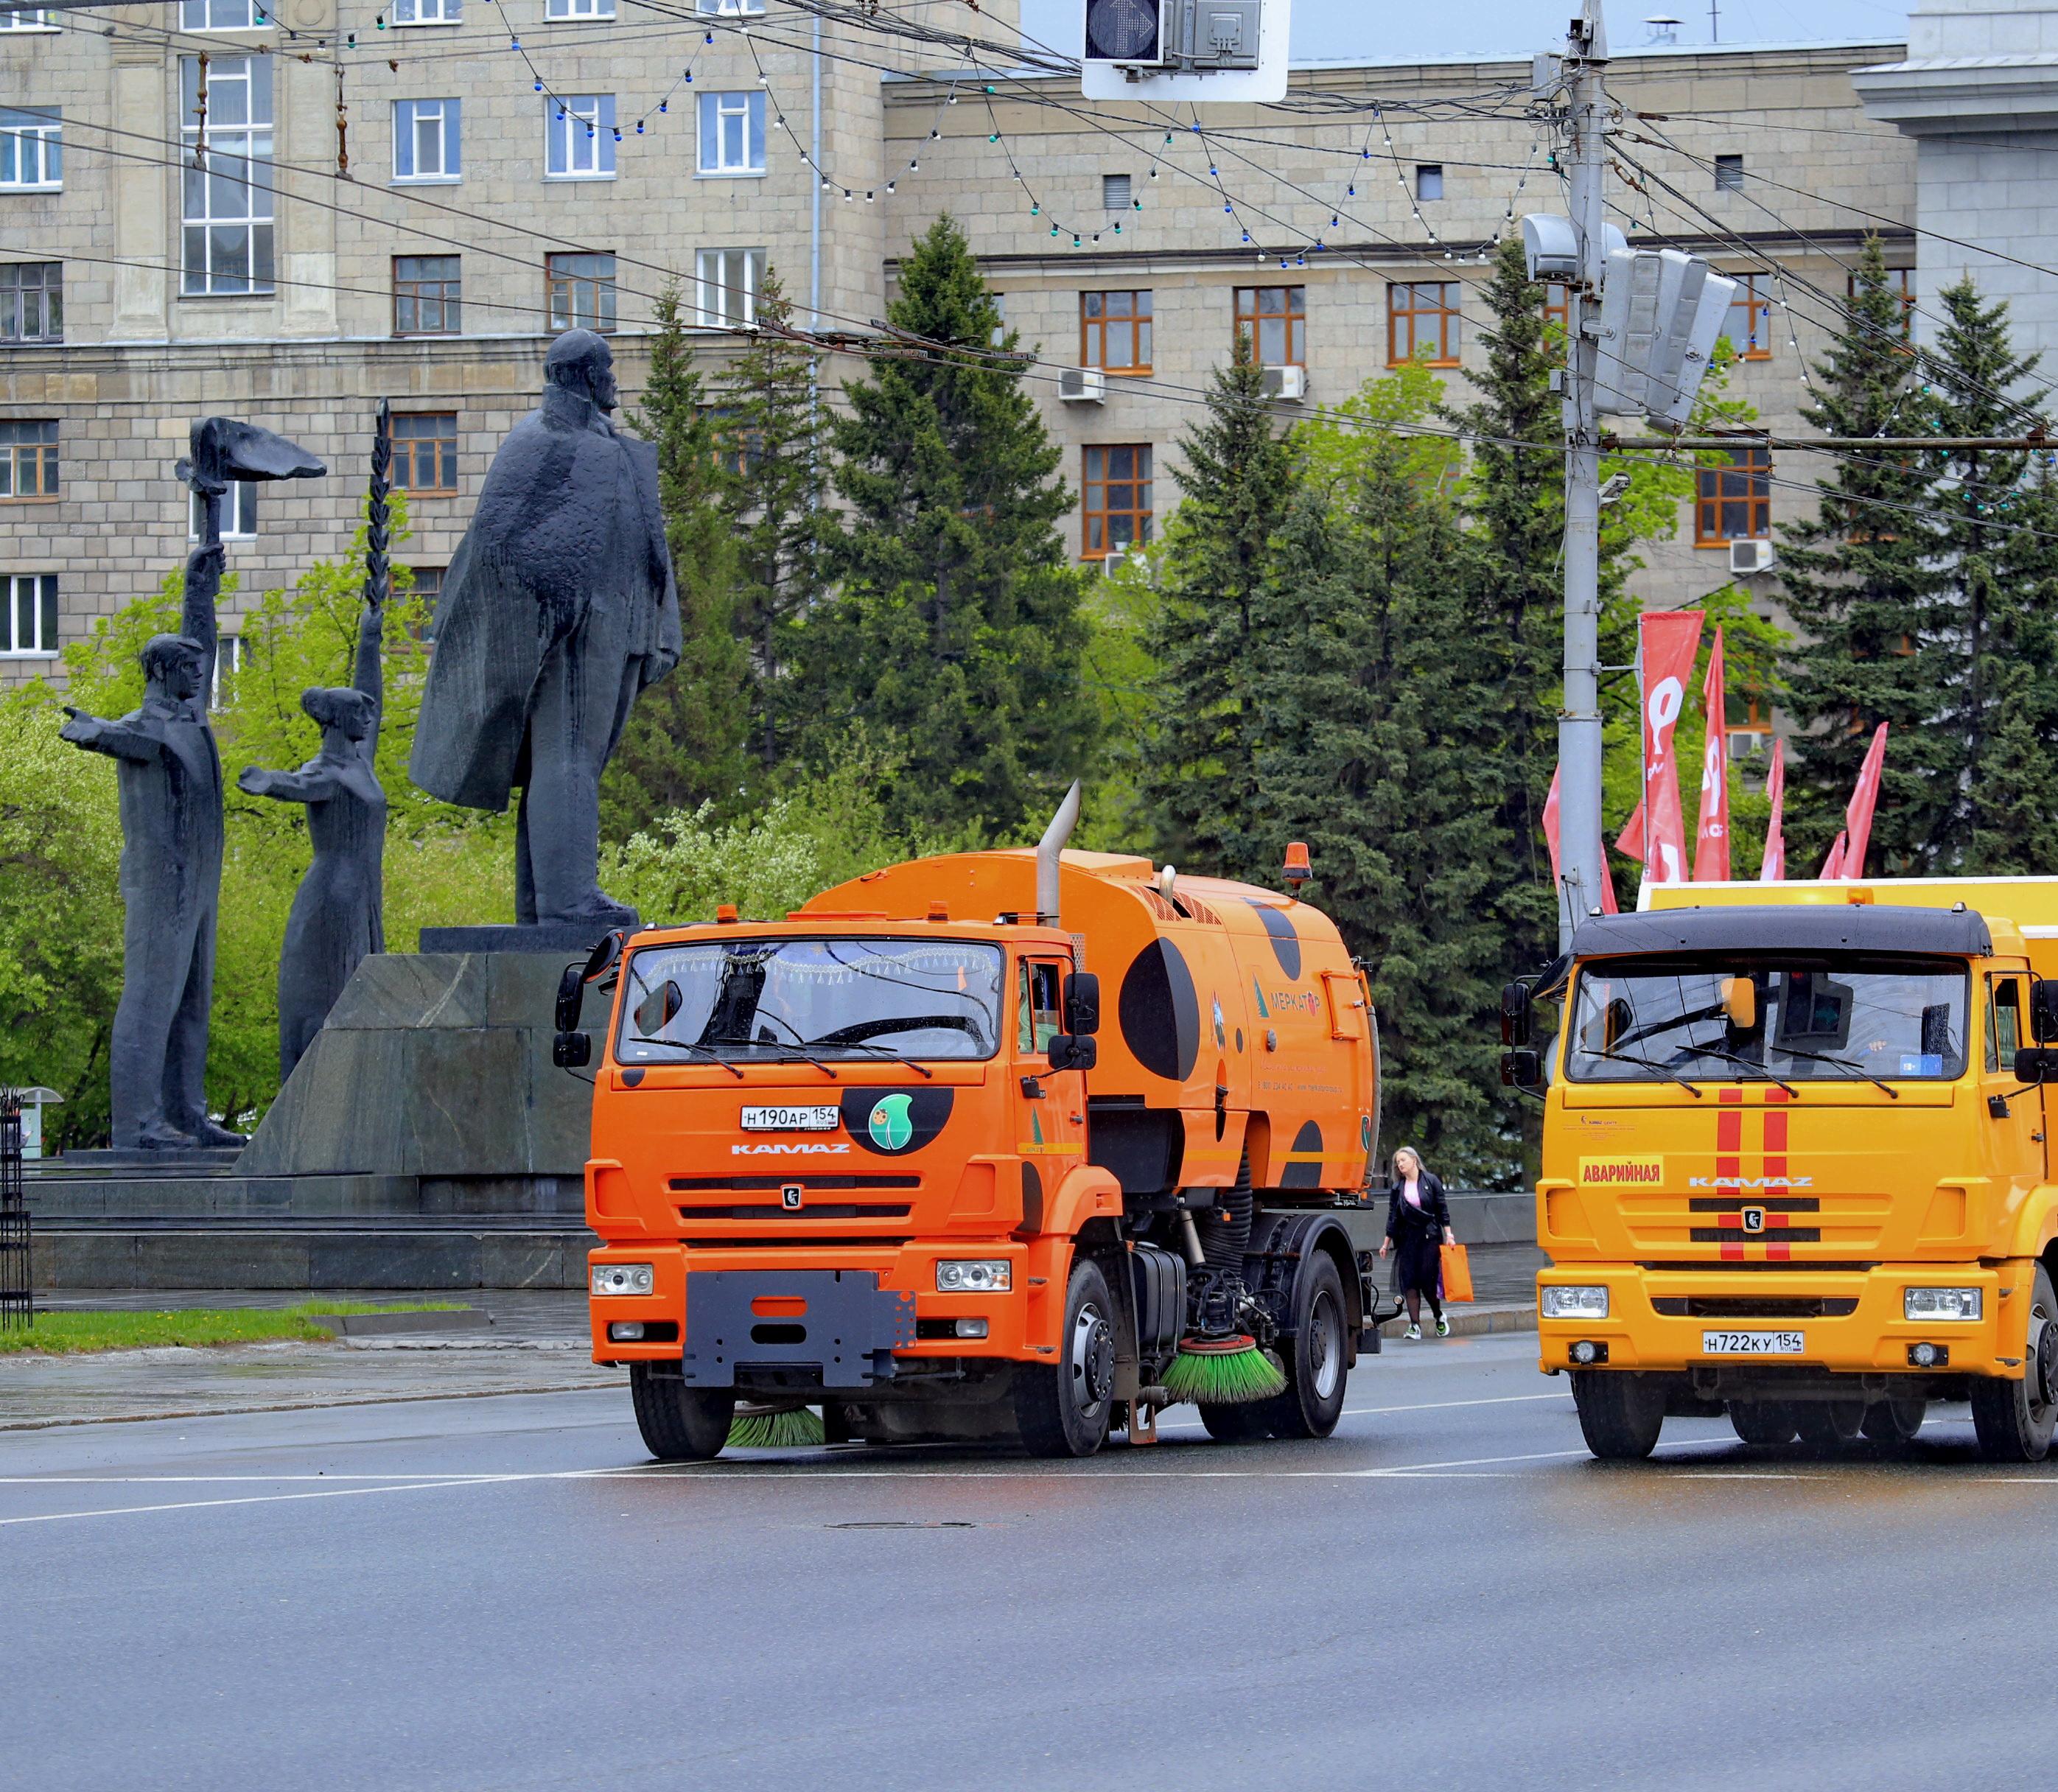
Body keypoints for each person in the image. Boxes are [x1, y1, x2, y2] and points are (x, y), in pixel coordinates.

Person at [407, 329, 682, 928]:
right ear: (584, 375)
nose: (615, 379)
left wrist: (662, 627)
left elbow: (645, 546)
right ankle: (567, 901)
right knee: (567, 757)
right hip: (572, 633)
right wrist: (561, 610)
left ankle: (548, 902)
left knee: (579, 761)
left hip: (618, 626)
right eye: (607, 368)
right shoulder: (539, 440)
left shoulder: (607, 444)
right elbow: (498, 544)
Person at [59, 542, 242, 1151]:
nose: (201, 674)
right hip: (164, 881)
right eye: (190, 669)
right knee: (151, 997)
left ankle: (186, 1113)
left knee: (192, 1002)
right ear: (164, 673)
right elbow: (111, 735)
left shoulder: (190, 722)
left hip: (201, 883)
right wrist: (89, 731)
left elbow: (200, 640)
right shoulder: (147, 726)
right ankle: (138, 1123)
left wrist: (200, 593)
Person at [238, 587, 387, 1082]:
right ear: (341, 721)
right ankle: (316, 1091)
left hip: (361, 895)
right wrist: (266, 781)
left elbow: (374, 697)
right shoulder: (325, 771)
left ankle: (348, 1091)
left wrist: (369, 638)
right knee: (333, 994)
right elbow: (296, 784)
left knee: (360, 994)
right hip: (333, 899)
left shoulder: (360, 762)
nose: (370, 717)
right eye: (360, 714)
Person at [1379, 1146, 1455, 1340]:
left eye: (1403, 1160)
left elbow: (1442, 1209)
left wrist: (1449, 1234)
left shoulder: (1431, 1181)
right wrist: (1386, 1243)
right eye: (1398, 1162)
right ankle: (1415, 1325)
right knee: (1410, 1282)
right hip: (1406, 1239)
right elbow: (1393, 1216)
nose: (1400, 1165)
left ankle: (1439, 1316)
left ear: (1414, 1160)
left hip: (1429, 1237)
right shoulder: (1398, 1188)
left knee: (1427, 1281)